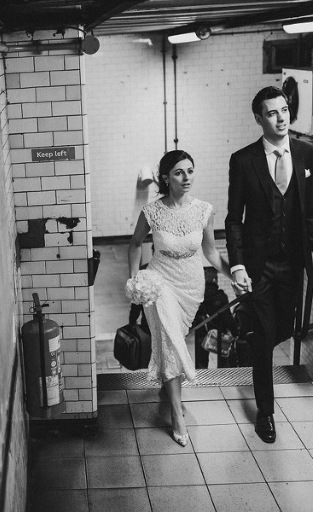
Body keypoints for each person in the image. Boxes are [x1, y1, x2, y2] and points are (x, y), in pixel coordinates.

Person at [226, 86, 313, 444]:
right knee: (265, 338)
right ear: (259, 119)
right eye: (272, 113)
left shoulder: (306, 152)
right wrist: (237, 265)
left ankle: (260, 346)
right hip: (259, 267)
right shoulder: (243, 160)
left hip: (292, 265)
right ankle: (266, 413)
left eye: (284, 110)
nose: (281, 117)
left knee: (284, 332)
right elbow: (234, 219)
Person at [128, 150, 231, 446]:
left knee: (172, 339)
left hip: (191, 286)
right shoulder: (152, 212)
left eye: (190, 171)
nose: (187, 178)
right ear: (165, 178)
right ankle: (177, 414)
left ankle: (168, 383)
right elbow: (135, 245)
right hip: (159, 283)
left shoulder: (203, 210)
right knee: (171, 341)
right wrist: (136, 279)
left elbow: (211, 253)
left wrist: (233, 274)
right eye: (179, 173)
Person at [193, 267, 238, 369]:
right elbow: (227, 317)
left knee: (201, 359)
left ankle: (201, 377)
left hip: (202, 329)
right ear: (215, 279)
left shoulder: (197, 296)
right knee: (223, 357)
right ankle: (223, 375)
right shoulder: (220, 296)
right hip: (219, 331)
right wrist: (234, 332)